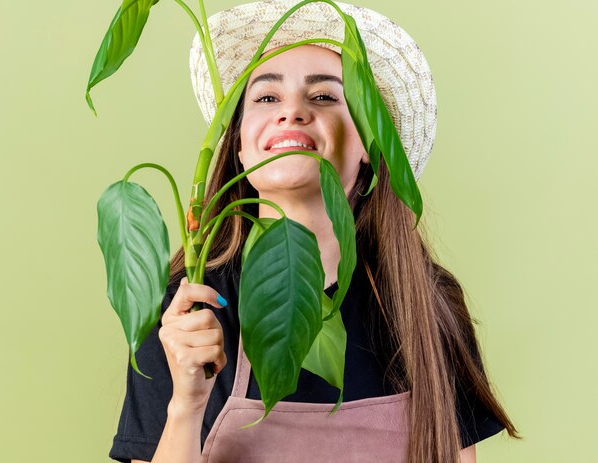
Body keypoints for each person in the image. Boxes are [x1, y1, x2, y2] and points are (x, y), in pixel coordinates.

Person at [109, 1, 518, 462]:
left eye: (323, 96)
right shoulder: (187, 309)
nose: (292, 112)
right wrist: (186, 404)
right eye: (266, 98)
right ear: (239, 146)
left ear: (368, 143)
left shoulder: (426, 303)